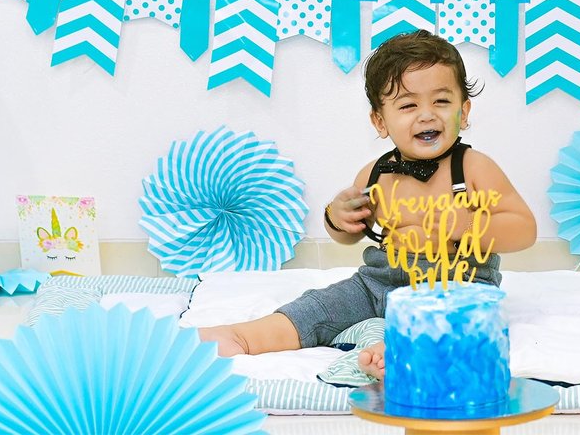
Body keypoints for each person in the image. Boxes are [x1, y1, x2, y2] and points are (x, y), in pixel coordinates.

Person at [198, 30, 537, 380]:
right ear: (380, 121)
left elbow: (524, 229)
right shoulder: (377, 174)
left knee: (462, 324)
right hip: (378, 283)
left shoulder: (472, 168)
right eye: (408, 105)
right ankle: (244, 335)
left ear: (463, 112)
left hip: (457, 285)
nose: (426, 115)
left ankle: (399, 351)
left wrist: (466, 225)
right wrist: (338, 217)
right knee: (319, 306)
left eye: (441, 101)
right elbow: (348, 234)